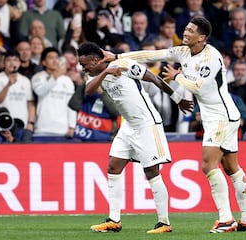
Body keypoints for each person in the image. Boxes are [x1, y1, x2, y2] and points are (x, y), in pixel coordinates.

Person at [99, 16, 246, 233]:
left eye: (191, 30)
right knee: (231, 168)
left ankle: (226, 219)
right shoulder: (183, 52)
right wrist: (117, 55)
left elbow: (199, 87)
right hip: (221, 117)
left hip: (220, 116)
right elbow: (153, 55)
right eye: (186, 28)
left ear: (202, 37)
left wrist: (177, 76)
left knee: (208, 165)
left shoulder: (211, 57)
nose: (186, 32)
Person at [77, 42, 193, 233]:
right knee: (113, 166)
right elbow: (87, 92)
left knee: (152, 172)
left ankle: (164, 223)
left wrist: (177, 99)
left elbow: (154, 79)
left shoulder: (125, 65)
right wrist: (105, 73)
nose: (84, 68)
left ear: (96, 60)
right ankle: (114, 220)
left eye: (85, 64)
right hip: (128, 126)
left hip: (147, 124)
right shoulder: (96, 75)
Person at [31, 47, 76, 137]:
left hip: (62, 129)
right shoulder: (37, 77)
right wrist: (55, 76)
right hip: (42, 128)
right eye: (51, 58)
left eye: (56, 58)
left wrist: (72, 126)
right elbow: (40, 91)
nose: (55, 61)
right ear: (43, 62)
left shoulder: (67, 81)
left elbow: (71, 105)